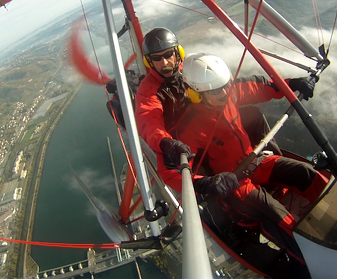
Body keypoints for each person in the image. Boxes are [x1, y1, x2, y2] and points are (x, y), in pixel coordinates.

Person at [156, 52, 328, 276]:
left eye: (226, 85)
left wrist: (293, 84)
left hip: (255, 160)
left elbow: (260, 87)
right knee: (278, 216)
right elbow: (172, 172)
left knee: (307, 173)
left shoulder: (227, 94)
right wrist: (206, 183)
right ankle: (312, 260)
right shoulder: (190, 127)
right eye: (217, 91)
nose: (226, 92)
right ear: (196, 94)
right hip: (233, 180)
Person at [135, 27, 191, 159]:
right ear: (149, 62)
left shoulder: (191, 69)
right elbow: (149, 122)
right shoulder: (147, 91)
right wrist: (165, 142)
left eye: (168, 55)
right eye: (157, 58)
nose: (164, 62)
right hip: (179, 140)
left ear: (178, 53)